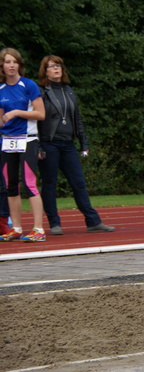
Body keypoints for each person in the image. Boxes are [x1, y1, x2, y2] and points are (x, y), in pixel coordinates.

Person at [37, 55, 115, 235]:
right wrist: (39, 146)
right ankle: (54, 223)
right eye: (51, 66)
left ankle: (93, 222)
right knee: (50, 183)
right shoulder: (41, 92)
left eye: (58, 65)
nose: (56, 69)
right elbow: (37, 121)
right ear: (45, 71)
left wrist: (84, 142)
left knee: (78, 183)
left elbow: (77, 119)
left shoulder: (69, 90)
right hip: (49, 144)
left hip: (68, 144)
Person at [0, 48, 46, 242]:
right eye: (8, 62)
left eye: (14, 62)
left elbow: (40, 114)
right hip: (7, 141)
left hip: (27, 139)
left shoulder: (29, 85)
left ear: (19, 65)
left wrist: (17, 112)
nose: (11, 65)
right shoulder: (1, 89)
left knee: (29, 184)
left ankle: (38, 229)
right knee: (10, 186)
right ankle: (16, 228)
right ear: (2, 66)